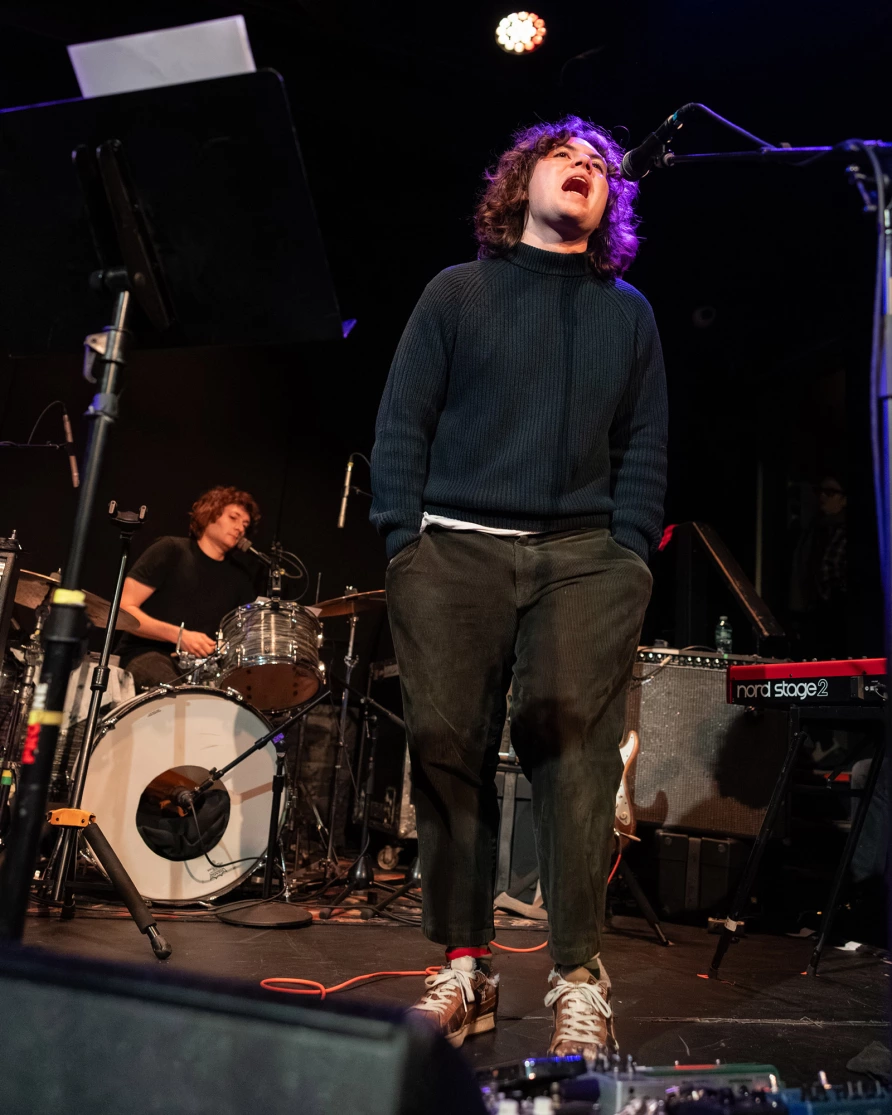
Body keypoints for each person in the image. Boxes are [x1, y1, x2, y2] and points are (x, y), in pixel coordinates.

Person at [370, 116, 667, 1056]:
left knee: (576, 761)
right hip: (452, 548)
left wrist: (628, 553)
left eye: (600, 167)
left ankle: (579, 976)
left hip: (584, 557)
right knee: (447, 750)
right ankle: (466, 967)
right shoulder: (457, 292)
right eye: (565, 156)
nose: (585, 168)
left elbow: (645, 446)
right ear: (520, 184)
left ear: (608, 203)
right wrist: (402, 541)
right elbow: (402, 422)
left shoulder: (630, 313)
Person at [117, 486, 260, 689]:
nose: (240, 528)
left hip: (204, 669)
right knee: (177, 693)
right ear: (210, 514)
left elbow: (241, 636)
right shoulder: (171, 550)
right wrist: (179, 636)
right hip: (148, 654)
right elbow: (123, 609)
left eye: (245, 524)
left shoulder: (241, 579)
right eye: (233, 518)